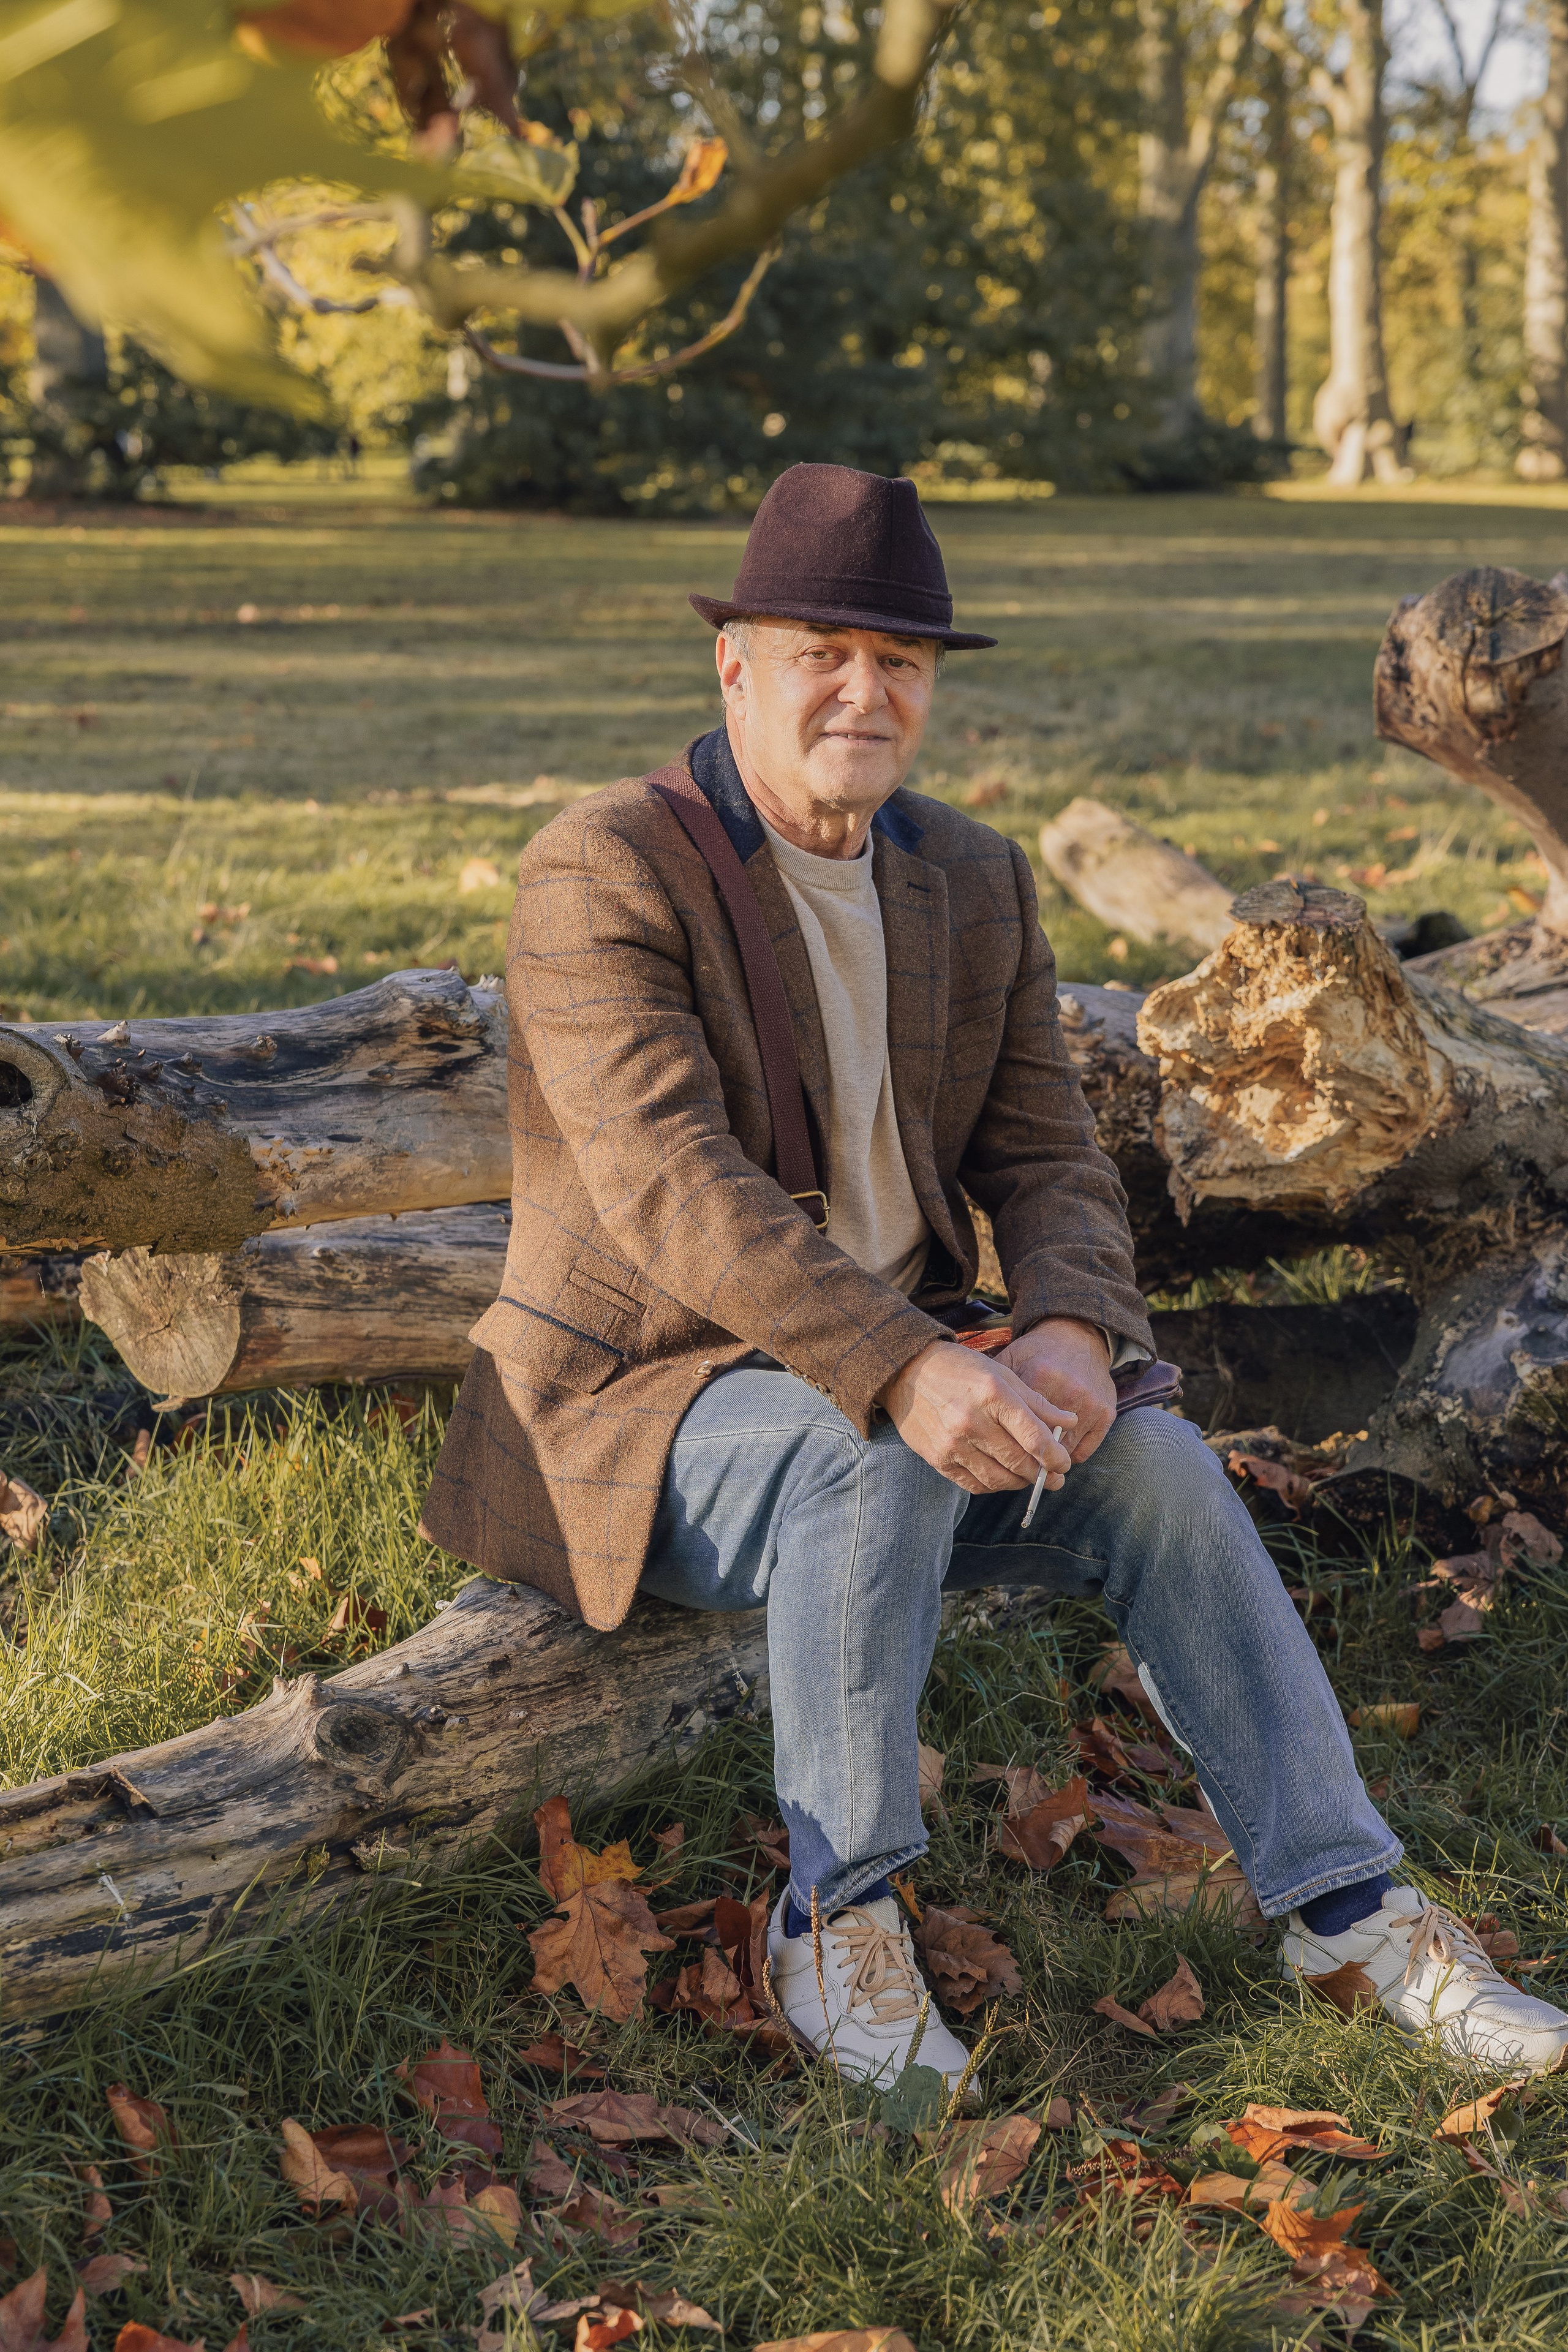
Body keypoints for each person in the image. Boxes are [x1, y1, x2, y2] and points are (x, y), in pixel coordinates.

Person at [422, 462, 1568, 2087]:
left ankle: (1357, 1909)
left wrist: (1079, 1333)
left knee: (1162, 1463)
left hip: (897, 1381)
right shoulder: (604, 869)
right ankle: (839, 1920)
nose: (861, 690)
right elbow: (676, 1189)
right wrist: (906, 1363)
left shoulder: (966, 872)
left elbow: (1047, 1162)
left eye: (898, 662)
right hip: (633, 1417)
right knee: (865, 1438)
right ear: (734, 665)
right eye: (821, 650)